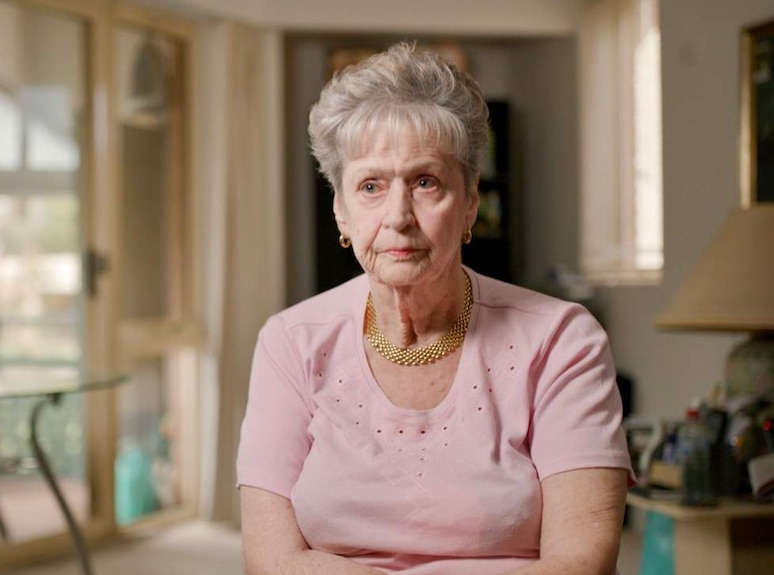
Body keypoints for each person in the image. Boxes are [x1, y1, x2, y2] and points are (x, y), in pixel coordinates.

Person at [237, 42, 634, 575]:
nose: (398, 216)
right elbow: (271, 559)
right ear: (341, 211)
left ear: (471, 200)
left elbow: (582, 562)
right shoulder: (291, 341)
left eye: (425, 182)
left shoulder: (562, 339)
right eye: (371, 186)